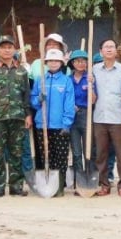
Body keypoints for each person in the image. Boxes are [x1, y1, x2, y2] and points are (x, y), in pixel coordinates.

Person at [0, 35, 32, 197]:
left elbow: (26, 96)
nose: (7, 50)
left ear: (14, 49)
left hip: (17, 117)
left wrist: (28, 115)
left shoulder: (21, 71)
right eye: (3, 47)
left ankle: (16, 186)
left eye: (10, 47)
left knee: (16, 153)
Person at [31, 48, 75, 197]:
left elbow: (69, 104)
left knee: (61, 157)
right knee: (46, 156)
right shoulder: (40, 80)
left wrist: (66, 123)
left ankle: (60, 186)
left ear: (61, 63)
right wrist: (38, 99)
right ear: (46, 63)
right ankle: (48, 185)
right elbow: (33, 101)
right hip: (42, 125)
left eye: (56, 61)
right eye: (51, 61)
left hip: (60, 126)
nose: (53, 63)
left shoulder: (66, 81)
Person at [91, 38, 121, 196]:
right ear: (100, 52)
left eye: (111, 47)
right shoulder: (93, 70)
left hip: (118, 117)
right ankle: (104, 184)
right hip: (99, 118)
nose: (108, 49)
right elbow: (91, 94)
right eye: (105, 47)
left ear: (116, 51)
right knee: (101, 154)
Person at [67, 49, 90, 185]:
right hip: (72, 117)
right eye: (78, 61)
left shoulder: (90, 78)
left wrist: (91, 87)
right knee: (76, 151)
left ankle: (88, 177)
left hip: (86, 114)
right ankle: (78, 179)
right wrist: (71, 106)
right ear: (72, 63)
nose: (81, 64)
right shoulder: (68, 80)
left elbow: (94, 100)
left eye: (83, 61)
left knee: (88, 149)